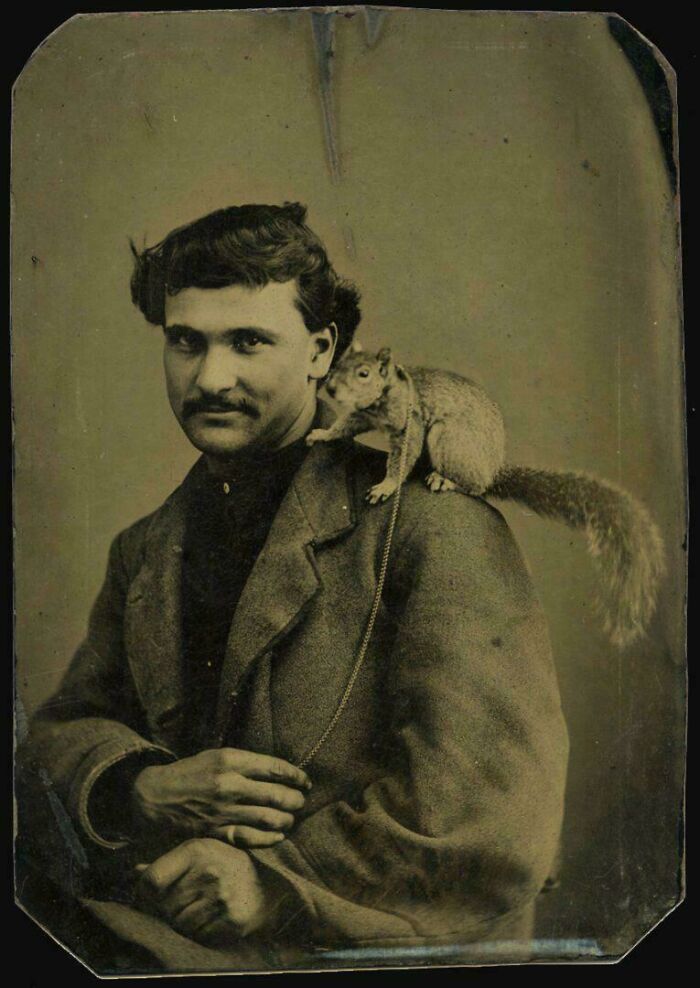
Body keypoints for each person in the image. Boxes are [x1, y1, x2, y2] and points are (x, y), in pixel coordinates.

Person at [16, 202, 569, 973]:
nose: (211, 378)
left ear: (321, 351)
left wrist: (272, 883)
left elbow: (495, 817)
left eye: (248, 341)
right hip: (169, 944)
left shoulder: (433, 528)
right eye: (186, 341)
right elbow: (53, 740)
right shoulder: (144, 550)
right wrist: (137, 787)